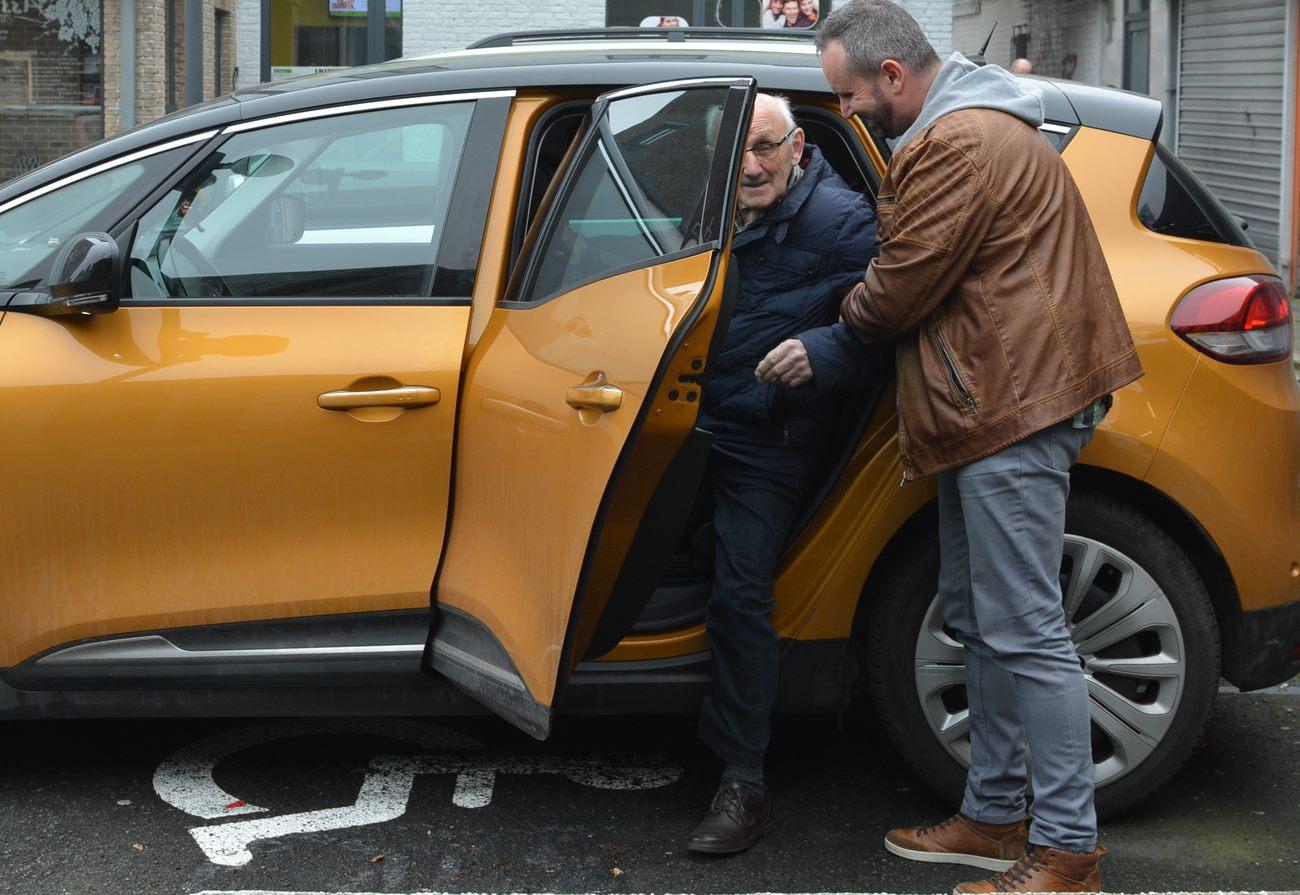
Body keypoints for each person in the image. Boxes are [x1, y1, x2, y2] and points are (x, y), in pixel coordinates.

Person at [807, 1, 1144, 891]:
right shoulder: (976, 128)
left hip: (1012, 404)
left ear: (891, 76)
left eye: (846, 97)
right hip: (991, 401)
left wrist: (839, 311)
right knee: (983, 617)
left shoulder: (957, 143)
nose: (844, 114)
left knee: (1027, 631)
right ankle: (994, 818)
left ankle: (1067, 851)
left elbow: (898, 288)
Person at [686, 92, 889, 855]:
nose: (751, 164)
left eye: (766, 146)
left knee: (740, 588)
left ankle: (742, 777)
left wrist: (823, 353)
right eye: (736, 150)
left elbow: (887, 325)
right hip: (683, 421)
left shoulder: (842, 222)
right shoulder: (705, 210)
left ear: (799, 145)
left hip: (769, 436)